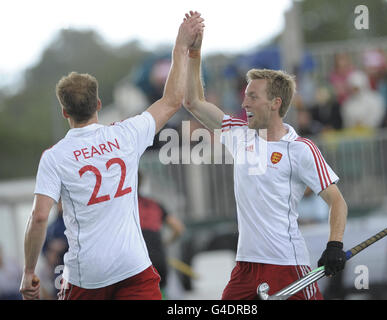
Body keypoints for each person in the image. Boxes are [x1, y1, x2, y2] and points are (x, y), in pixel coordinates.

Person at [19, 11, 205, 300]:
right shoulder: (125, 135)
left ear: (65, 112)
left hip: (87, 275)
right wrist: (180, 47)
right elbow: (171, 101)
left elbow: (40, 216)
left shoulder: (55, 157)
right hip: (133, 267)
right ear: (98, 104)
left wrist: (29, 271)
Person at [182, 11, 347, 300]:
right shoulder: (238, 132)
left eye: (253, 96)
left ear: (275, 103)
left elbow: (337, 201)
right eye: (245, 95)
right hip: (245, 267)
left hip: (287, 265)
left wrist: (334, 245)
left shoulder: (300, 149)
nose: (243, 101)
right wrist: (194, 52)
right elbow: (192, 101)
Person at [137, 171, 185, 292]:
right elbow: (178, 228)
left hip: (139, 262)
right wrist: (165, 243)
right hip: (158, 259)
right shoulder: (155, 204)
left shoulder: (125, 206)